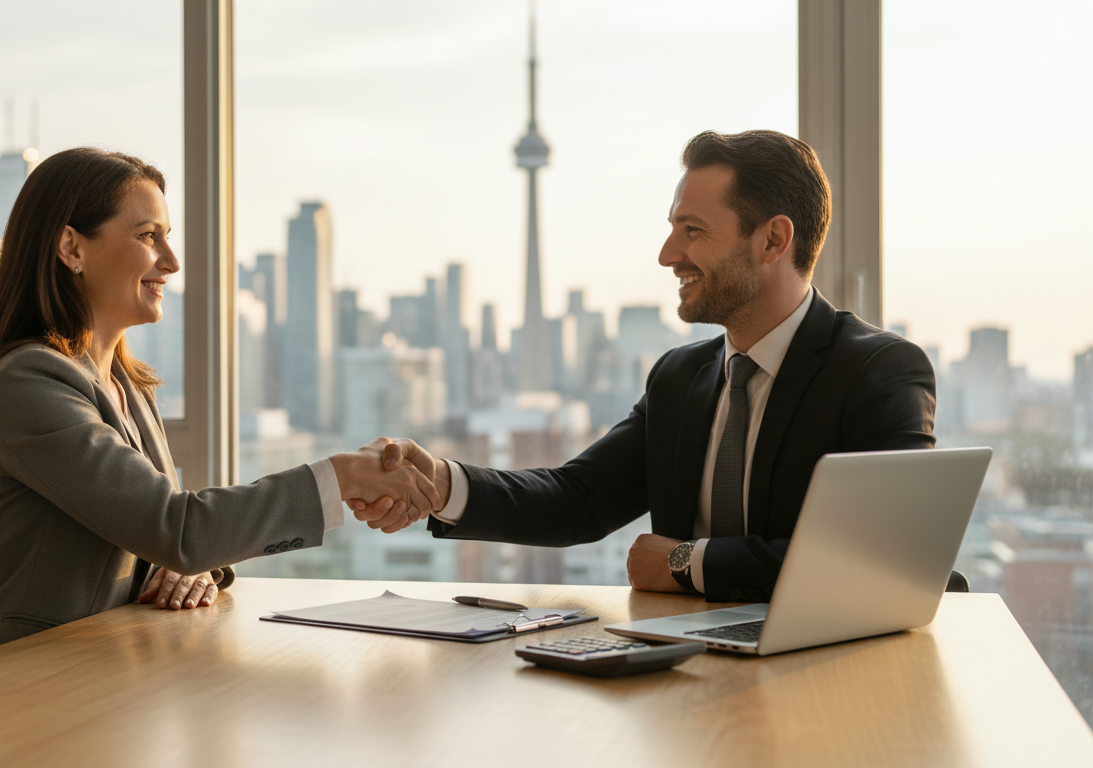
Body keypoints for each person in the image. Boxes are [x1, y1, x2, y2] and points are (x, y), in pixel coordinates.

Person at [352, 130, 936, 603]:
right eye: (671, 229)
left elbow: (882, 558)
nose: (667, 255)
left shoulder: (878, 371)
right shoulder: (680, 379)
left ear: (773, 241)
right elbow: (575, 499)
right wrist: (439, 484)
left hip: (828, 678)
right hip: (685, 675)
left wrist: (685, 562)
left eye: (693, 231)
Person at [0, 148, 436, 656]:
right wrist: (342, 475)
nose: (171, 261)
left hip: (111, 669)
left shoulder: (127, 385)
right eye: (147, 236)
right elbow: (175, 527)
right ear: (71, 247)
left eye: (167, 237)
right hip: (24, 681)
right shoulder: (28, 383)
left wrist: (195, 568)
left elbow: (157, 536)